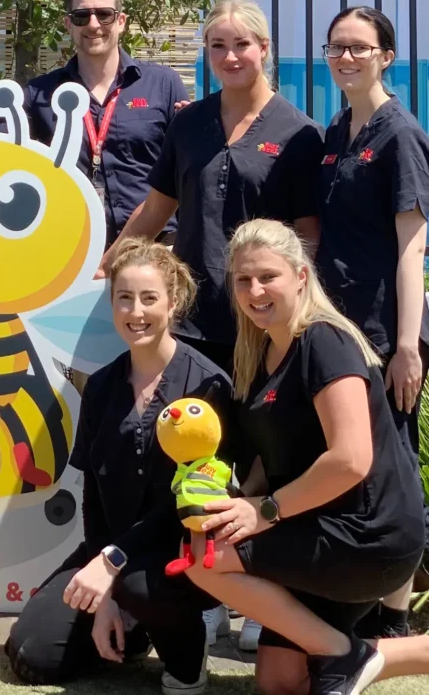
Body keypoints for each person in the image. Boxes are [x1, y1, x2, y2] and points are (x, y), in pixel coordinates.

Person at [183, 218, 428, 695]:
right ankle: (356, 656)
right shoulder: (257, 354)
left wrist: (265, 512)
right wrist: (229, 504)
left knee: (203, 559)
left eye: (267, 276)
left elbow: (351, 460)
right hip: (316, 527)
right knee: (280, 683)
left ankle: (349, 655)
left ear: (300, 275)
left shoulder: (324, 341)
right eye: (242, 279)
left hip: (369, 535)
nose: (255, 290)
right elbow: (270, 460)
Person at [5, 238, 232, 694]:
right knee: (32, 653)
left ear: (174, 301)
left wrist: (114, 562)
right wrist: (103, 584)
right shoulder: (103, 385)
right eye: (124, 298)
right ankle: (133, 629)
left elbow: (189, 502)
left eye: (149, 298)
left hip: (179, 555)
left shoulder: (208, 384)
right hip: (112, 553)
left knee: (143, 589)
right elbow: (94, 496)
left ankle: (188, 648)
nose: (136, 311)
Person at [103, 0, 324, 374]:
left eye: (241, 44)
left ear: (264, 48)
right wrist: (107, 265)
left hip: (262, 321)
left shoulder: (300, 134)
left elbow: (308, 236)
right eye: (218, 46)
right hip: (190, 321)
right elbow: (156, 209)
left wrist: (296, 312)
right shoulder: (188, 124)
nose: (230, 57)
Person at [316, 6, 429, 639]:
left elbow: (413, 245)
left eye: (361, 48)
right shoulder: (338, 131)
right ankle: (356, 597)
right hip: (340, 330)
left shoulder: (400, 134)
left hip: (387, 335)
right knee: (350, 462)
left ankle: (394, 617)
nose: (347, 57)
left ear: (386, 56)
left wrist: (409, 346)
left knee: (394, 471)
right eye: (337, 47)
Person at [0, 0, 189, 248]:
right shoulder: (38, 94)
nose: (93, 24)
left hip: (154, 248)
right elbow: (1, 152)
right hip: (70, 249)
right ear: (68, 24)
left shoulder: (164, 84)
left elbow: (185, 169)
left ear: (121, 21)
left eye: (104, 14)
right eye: (81, 16)